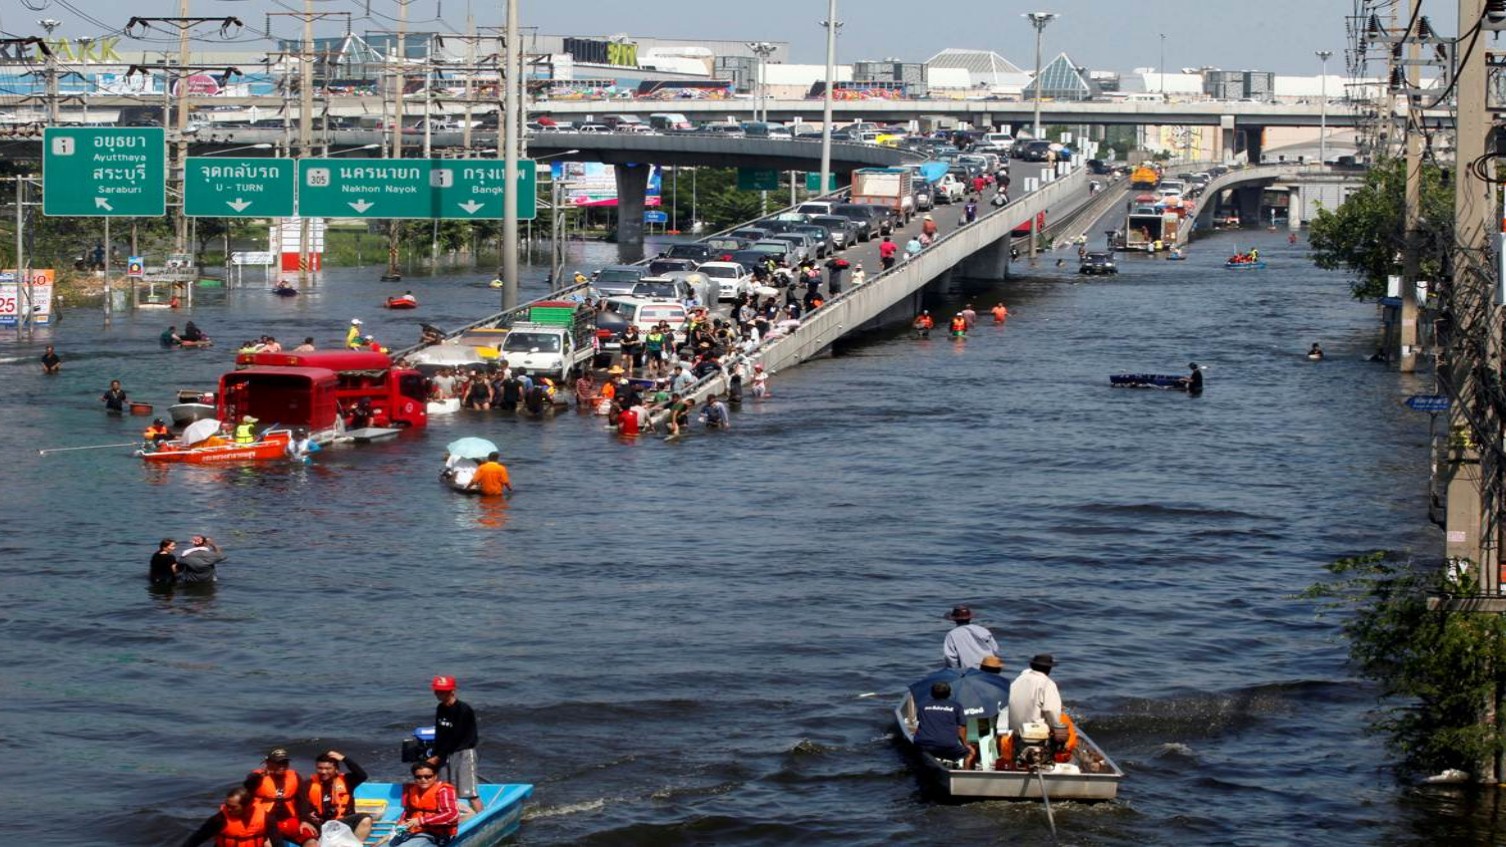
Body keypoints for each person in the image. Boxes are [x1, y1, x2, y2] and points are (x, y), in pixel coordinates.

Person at [427, 675, 483, 814]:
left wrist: (438, 756)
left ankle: (482, 816)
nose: (438, 694)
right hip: (445, 753)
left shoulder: (463, 710)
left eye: (442, 691)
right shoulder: (440, 708)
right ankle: (448, 816)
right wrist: (435, 754)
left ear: (452, 691)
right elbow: (440, 734)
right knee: (445, 789)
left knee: (470, 792)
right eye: (437, 691)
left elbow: (456, 736)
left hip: (463, 752)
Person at [244, 747, 315, 846]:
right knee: (267, 844)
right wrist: (260, 776)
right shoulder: (256, 777)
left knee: (311, 841)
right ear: (268, 763)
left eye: (285, 763)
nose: (282, 766)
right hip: (265, 823)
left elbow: (302, 800)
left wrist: (304, 820)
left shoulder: (294, 776)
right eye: (278, 763)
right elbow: (247, 785)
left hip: (289, 820)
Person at [299, 750, 372, 843]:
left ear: (336, 769)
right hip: (321, 825)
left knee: (366, 819)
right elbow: (300, 804)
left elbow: (362, 775)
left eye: (328, 768)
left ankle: (354, 844)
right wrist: (306, 818)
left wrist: (344, 759)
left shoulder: (347, 780)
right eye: (320, 768)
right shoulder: (308, 784)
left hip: (344, 823)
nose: (323, 772)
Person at [178, 786, 285, 847]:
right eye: (227, 805)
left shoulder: (266, 818)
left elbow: (277, 842)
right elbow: (197, 839)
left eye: (233, 807)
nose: (228, 809)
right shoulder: (219, 819)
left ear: (247, 806)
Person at [1006, 654, 1069, 747]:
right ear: (1049, 669)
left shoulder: (1018, 680)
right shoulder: (1047, 683)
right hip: (1033, 732)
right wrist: (1056, 728)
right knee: (1064, 725)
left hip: (1013, 729)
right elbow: (1052, 711)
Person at [393, 761, 460, 846]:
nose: (423, 780)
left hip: (436, 835)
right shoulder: (412, 790)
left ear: (435, 776)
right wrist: (399, 827)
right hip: (412, 831)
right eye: (418, 777)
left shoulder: (444, 790)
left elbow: (452, 815)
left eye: (428, 776)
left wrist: (421, 821)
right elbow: (407, 813)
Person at [913, 681, 977, 770]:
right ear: (949, 694)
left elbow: (921, 724)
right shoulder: (956, 706)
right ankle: (966, 775)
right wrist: (965, 744)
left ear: (932, 693)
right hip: (947, 746)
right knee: (970, 753)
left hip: (924, 744)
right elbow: (961, 728)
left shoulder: (922, 706)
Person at [941, 605, 1000, 669]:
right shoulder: (983, 630)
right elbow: (995, 649)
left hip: (969, 671)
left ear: (954, 619)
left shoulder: (952, 634)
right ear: (970, 618)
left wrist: (956, 672)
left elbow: (950, 656)